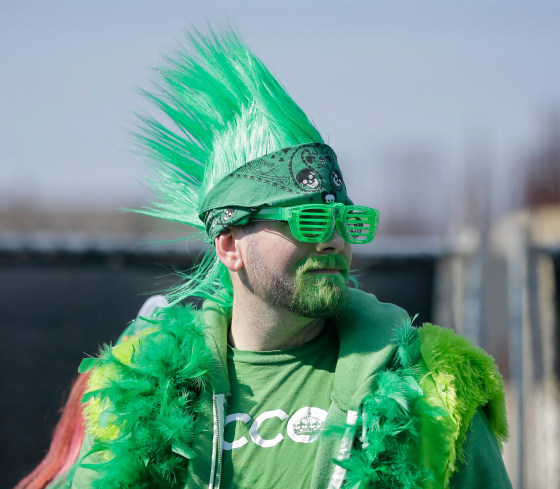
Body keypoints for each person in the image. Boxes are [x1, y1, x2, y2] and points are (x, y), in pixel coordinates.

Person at [17, 30, 511, 489]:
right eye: (309, 221)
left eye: (346, 221)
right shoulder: (140, 396)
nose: (335, 240)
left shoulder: (433, 391)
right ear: (230, 244)